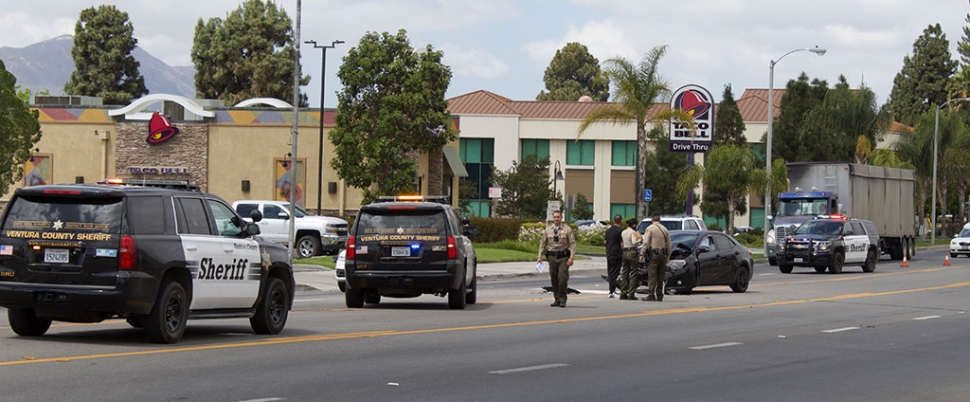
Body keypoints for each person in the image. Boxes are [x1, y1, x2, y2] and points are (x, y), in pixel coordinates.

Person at [537, 210, 577, 308]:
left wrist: (571, 257)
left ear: (561, 218)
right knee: (554, 279)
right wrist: (539, 256)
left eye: (558, 217)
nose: (556, 219)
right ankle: (557, 299)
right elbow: (543, 243)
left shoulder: (567, 229)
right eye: (555, 217)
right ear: (553, 218)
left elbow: (573, 244)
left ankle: (563, 299)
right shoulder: (548, 230)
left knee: (562, 278)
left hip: (563, 257)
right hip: (552, 257)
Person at [639, 214, 671, 301]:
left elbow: (646, 242)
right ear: (659, 220)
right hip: (662, 255)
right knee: (660, 276)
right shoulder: (664, 229)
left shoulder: (650, 228)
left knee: (652, 275)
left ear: (652, 220)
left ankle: (651, 294)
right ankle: (660, 294)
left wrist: (642, 253)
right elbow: (669, 244)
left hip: (654, 254)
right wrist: (668, 256)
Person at [619, 218, 642, 300]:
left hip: (625, 252)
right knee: (633, 273)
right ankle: (631, 293)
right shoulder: (633, 232)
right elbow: (634, 242)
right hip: (632, 252)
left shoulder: (623, 232)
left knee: (624, 273)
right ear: (634, 225)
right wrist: (640, 239)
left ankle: (623, 292)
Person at [604, 214, 624, 298]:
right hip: (617, 254)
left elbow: (605, 242)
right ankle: (612, 291)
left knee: (610, 272)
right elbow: (622, 244)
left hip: (609, 253)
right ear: (621, 222)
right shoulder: (620, 231)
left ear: (613, 221)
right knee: (614, 273)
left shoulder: (608, 231)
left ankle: (611, 290)